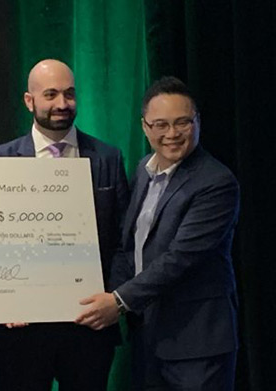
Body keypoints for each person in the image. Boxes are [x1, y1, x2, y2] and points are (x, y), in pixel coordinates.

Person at [76, 76, 240, 390]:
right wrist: (102, 295)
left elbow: (179, 259)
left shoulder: (216, 182)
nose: (172, 134)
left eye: (182, 123)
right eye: (161, 124)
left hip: (197, 345)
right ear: (145, 126)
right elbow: (129, 247)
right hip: (148, 338)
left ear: (198, 122)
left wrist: (118, 301)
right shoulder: (143, 170)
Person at [0, 59, 129, 390]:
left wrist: (114, 299)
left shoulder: (107, 157)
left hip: (89, 326)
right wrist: (0, 302)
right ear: (29, 100)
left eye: (69, 94)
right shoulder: (0, 160)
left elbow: (123, 240)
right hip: (22, 329)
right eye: (50, 94)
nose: (62, 104)